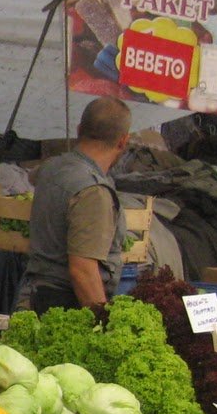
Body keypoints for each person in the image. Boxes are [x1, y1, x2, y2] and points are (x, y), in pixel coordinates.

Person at [16, 96, 132, 313]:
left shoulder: (52, 167)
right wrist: (103, 322)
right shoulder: (93, 192)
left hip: (34, 294)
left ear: (79, 130)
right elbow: (83, 270)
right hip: (64, 305)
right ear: (123, 141)